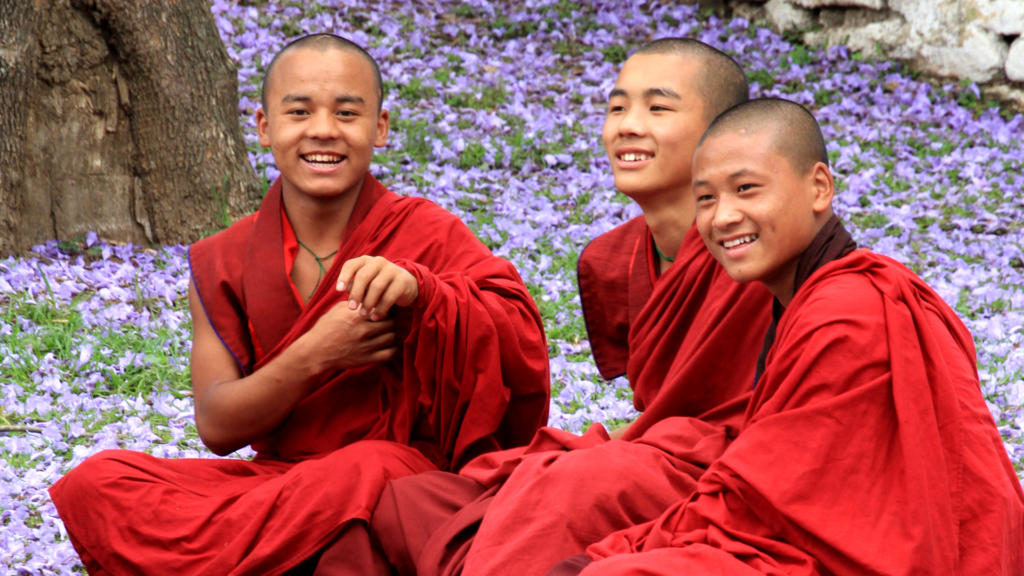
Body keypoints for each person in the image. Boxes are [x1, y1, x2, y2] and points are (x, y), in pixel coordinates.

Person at [48, 34, 550, 576]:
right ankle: (295, 550)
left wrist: (423, 292)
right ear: (265, 128)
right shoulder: (224, 258)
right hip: (282, 485)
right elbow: (218, 425)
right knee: (97, 482)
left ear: (379, 128)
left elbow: (515, 337)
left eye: (347, 112)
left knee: (372, 468)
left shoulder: (426, 233)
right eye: (300, 111)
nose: (323, 130)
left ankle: (252, 555)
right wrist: (317, 353)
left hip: (391, 475)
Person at [549, 97, 1024, 575]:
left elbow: (773, 496)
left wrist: (621, 553)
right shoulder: (816, 299)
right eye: (707, 198)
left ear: (819, 187)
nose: (723, 217)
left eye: (747, 189)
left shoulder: (849, 314)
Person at [369, 38, 773, 576]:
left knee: (566, 486)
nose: (628, 125)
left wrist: (603, 460)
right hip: (655, 459)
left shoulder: (762, 251)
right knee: (414, 502)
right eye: (617, 107)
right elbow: (662, 409)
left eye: (658, 108)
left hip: (735, 476)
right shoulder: (615, 259)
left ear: (720, 135)